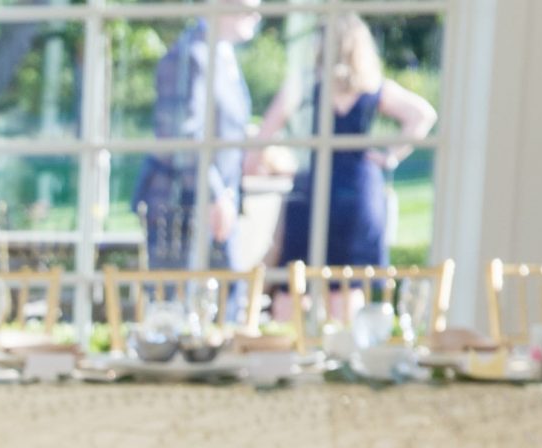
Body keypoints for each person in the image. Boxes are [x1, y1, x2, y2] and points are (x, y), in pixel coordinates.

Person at [260, 15, 436, 269]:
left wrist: (255, 165)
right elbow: (422, 115)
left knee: (294, 280)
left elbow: (266, 132)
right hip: (357, 188)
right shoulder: (372, 87)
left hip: (315, 186)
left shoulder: (306, 85)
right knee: (348, 284)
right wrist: (390, 156)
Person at [135, 0, 259, 269]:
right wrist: (213, 195)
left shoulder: (223, 56)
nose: (256, 15)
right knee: (177, 301)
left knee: (227, 298)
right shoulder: (190, 56)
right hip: (182, 204)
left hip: (218, 203)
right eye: (248, 7)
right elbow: (182, 135)